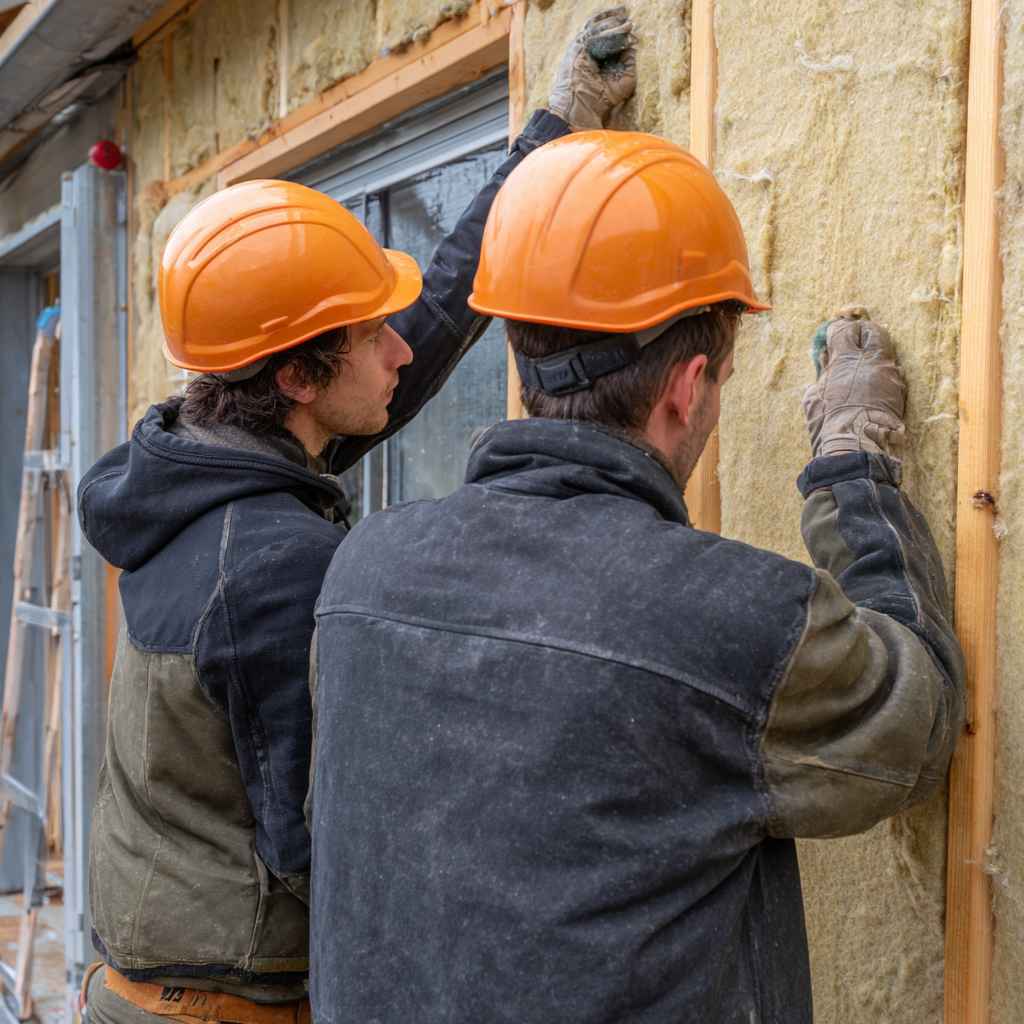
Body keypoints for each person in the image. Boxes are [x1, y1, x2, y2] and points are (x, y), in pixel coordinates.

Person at [308, 131, 966, 1023]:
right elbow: (913, 728)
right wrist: (856, 469)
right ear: (687, 387)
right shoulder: (736, 621)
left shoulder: (362, 574)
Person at [76, 11, 637, 1023]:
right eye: (367, 333)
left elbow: (417, 333)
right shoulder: (269, 562)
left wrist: (548, 133)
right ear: (295, 376)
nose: (398, 351)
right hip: (219, 1006)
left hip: (152, 972)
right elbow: (318, 847)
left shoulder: (192, 464)